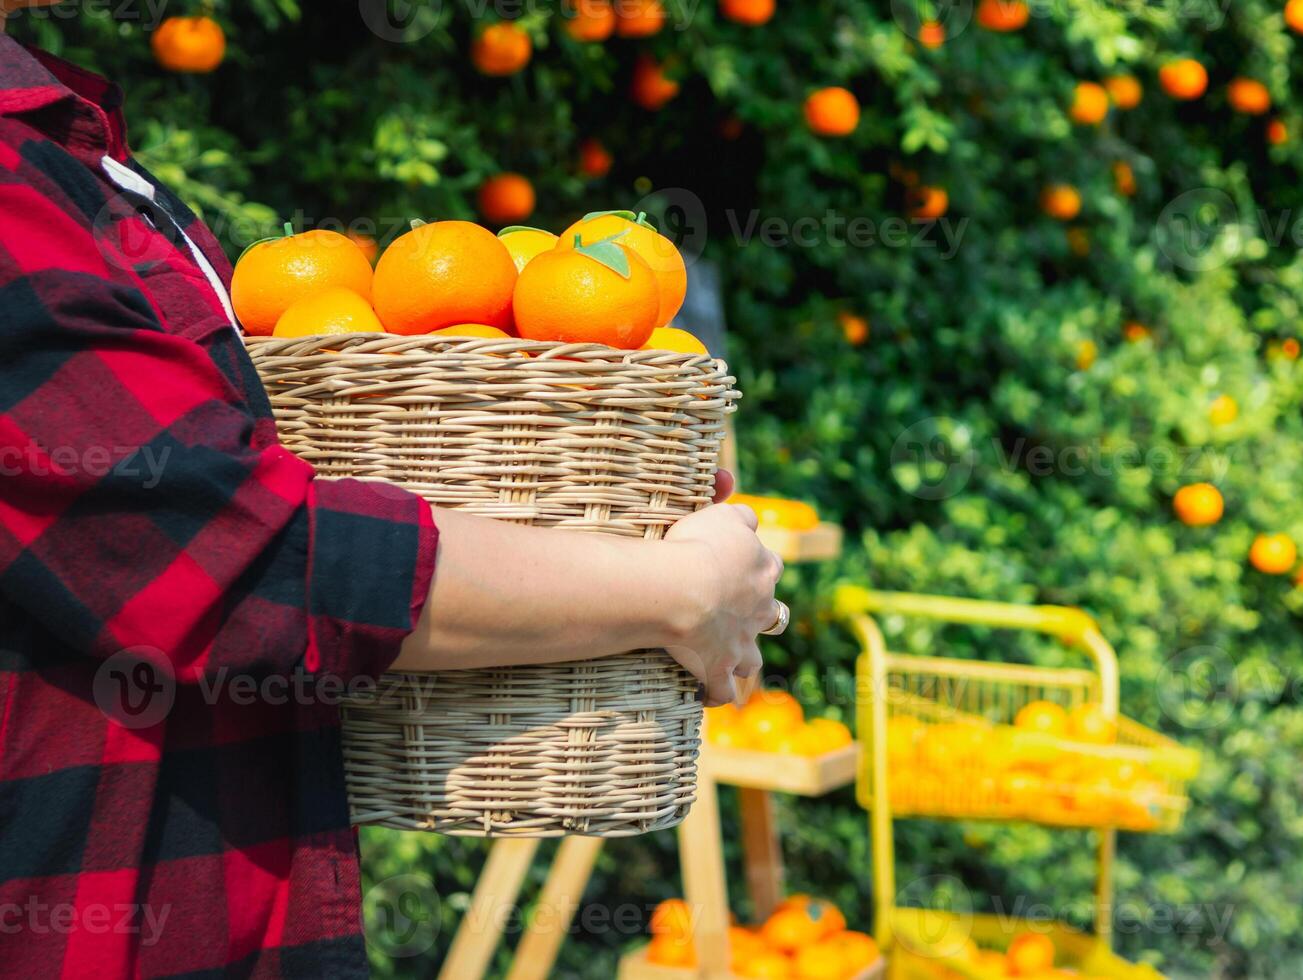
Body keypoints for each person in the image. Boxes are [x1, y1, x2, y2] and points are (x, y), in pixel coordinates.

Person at [0, 5, 782, 976]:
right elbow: (246, 562)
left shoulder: (75, 151)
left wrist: (584, 480)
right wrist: (675, 591)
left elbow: (245, 486)